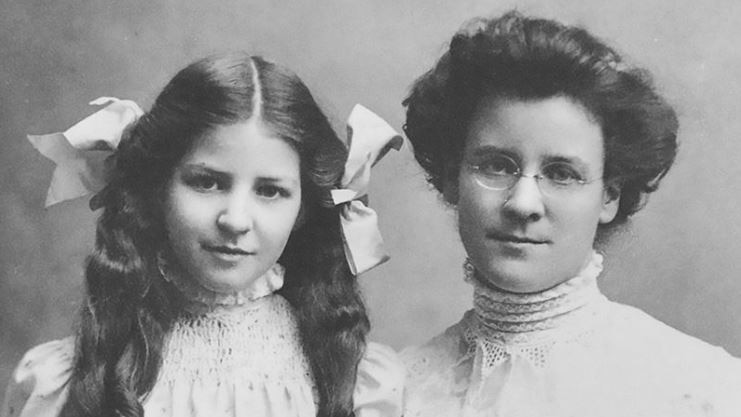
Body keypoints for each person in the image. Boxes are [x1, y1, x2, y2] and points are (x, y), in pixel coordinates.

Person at [2, 52, 404, 417]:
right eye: (207, 182)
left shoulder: (355, 381)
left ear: (302, 210)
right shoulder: (65, 381)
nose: (235, 219)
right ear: (159, 189)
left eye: (270, 191)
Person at [400, 10, 741, 417]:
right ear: (452, 178)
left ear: (609, 196)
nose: (523, 203)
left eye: (562, 174)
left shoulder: (700, 387)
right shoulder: (397, 392)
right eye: (495, 165)